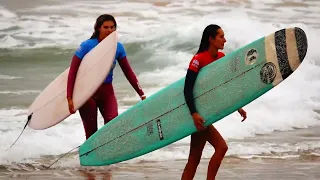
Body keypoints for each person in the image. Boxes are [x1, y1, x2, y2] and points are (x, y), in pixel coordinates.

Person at [182, 24, 247, 180]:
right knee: (221, 147)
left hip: (206, 113)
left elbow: (224, 86)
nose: (225, 40)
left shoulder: (221, 58)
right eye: (221, 36)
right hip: (199, 114)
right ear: (211, 39)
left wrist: (238, 106)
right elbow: (187, 89)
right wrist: (194, 113)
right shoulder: (198, 60)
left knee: (194, 159)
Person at [67, 14, 146, 140]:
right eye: (106, 27)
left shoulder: (118, 47)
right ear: (98, 28)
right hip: (88, 94)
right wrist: (69, 97)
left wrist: (141, 94)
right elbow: (72, 72)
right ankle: (90, 158)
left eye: (112, 27)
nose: (109, 30)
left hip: (107, 92)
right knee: (91, 133)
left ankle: (109, 157)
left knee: (112, 125)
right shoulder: (87, 46)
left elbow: (128, 72)